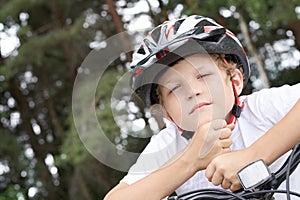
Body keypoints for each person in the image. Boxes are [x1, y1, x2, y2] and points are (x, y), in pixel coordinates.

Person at [104, 15, 300, 200]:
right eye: (175, 88)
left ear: (235, 82)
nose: (192, 91)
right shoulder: (168, 144)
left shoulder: (261, 108)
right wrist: (190, 161)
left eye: (203, 76)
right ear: (166, 113)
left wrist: (254, 154)